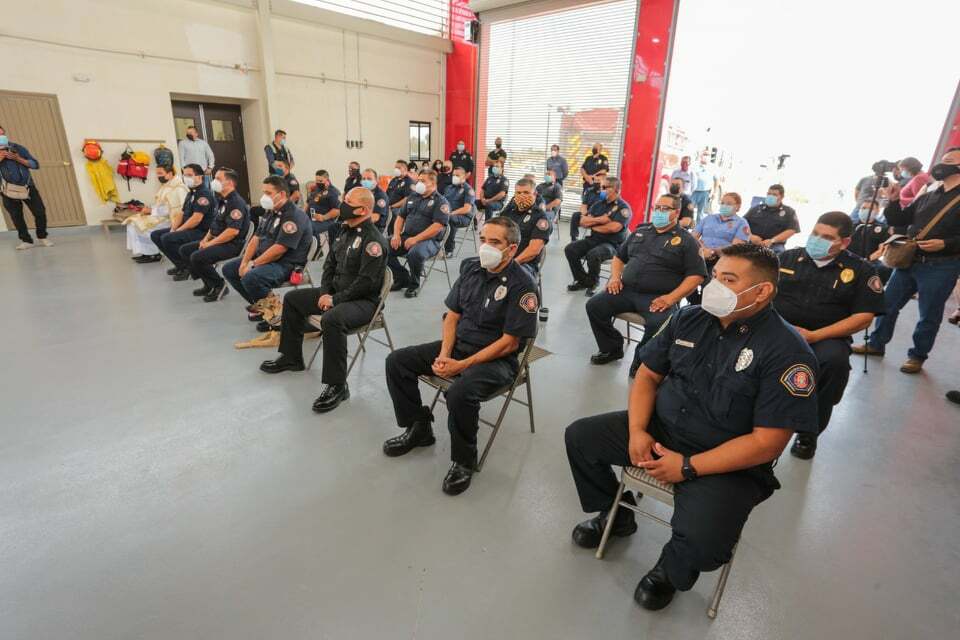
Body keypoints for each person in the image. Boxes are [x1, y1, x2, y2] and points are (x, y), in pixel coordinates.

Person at [565, 243, 819, 612]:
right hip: (663, 431)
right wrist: (638, 431)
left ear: (762, 291)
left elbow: (767, 443)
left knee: (705, 542)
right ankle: (617, 516)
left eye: (729, 280)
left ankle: (669, 571)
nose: (715, 286)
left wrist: (687, 467)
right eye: (716, 276)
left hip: (726, 460)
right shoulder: (690, 318)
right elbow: (648, 375)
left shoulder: (788, 352)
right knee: (581, 437)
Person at [382, 217, 538, 496]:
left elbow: (509, 343)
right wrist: (444, 354)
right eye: (483, 239)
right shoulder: (470, 268)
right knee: (397, 361)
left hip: (497, 360)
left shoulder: (523, 285)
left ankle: (464, 461)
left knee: (459, 393)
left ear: (511, 249)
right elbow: (452, 317)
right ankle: (419, 427)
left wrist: (461, 365)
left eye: (495, 242)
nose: (485, 247)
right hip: (459, 346)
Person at [260, 187, 388, 413]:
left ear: (363, 209)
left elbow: (366, 282)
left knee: (332, 319)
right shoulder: (343, 230)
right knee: (293, 298)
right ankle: (291, 357)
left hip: (364, 301)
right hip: (337, 293)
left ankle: (338, 386)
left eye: (348, 201)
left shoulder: (373, 240)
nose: (343, 203)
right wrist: (324, 294)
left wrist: (335, 299)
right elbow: (329, 266)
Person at [775, 212, 885, 459]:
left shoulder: (861, 270)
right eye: (815, 234)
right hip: (778, 330)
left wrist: (814, 335)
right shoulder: (788, 258)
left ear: (844, 242)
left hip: (825, 336)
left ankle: (807, 433)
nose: (817, 240)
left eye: (827, 237)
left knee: (833, 364)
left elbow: (864, 317)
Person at [853, 148, 960, 373]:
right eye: (943, 160)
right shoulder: (931, 192)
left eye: (949, 161)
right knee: (887, 304)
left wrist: (946, 244)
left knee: (928, 314)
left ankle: (918, 356)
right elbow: (901, 219)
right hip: (909, 260)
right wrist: (893, 201)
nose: (942, 164)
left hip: (942, 264)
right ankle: (876, 343)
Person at [587, 194, 706, 368]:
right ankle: (612, 348)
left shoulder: (687, 241)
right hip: (625, 290)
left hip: (659, 297)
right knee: (594, 306)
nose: (659, 212)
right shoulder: (641, 231)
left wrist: (671, 298)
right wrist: (615, 277)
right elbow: (619, 258)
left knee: (661, 324)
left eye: (664, 209)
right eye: (656, 208)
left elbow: (697, 276)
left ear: (677, 212)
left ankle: (642, 362)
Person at [222, 175, 312, 308]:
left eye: (268, 193)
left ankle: (275, 313)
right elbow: (256, 238)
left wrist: (252, 265)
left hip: (285, 264)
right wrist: (245, 262)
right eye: (264, 193)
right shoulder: (271, 211)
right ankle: (261, 306)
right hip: (265, 258)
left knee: (251, 277)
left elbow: (279, 250)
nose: (265, 197)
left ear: (281, 194)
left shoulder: (293, 216)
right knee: (229, 269)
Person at [180, 168, 250, 301]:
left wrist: (210, 244)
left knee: (197, 257)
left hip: (232, 244)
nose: (214, 181)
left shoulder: (235, 203)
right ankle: (208, 283)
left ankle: (219, 285)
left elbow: (232, 232)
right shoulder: (222, 200)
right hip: (219, 240)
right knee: (185, 250)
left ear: (229, 183)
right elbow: (215, 225)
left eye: (218, 179)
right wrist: (205, 240)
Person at [386, 170, 450, 298]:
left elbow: (437, 226)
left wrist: (416, 239)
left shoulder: (441, 202)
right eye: (418, 180)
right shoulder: (412, 197)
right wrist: (396, 235)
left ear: (433, 183)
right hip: (407, 236)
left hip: (429, 241)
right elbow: (400, 217)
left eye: (423, 181)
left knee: (415, 253)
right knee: (383, 247)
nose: (419, 183)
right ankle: (402, 277)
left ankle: (414, 284)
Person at [565, 175, 630, 297]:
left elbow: (614, 228)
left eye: (605, 187)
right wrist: (603, 220)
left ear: (616, 189)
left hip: (611, 244)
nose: (601, 190)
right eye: (601, 187)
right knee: (570, 249)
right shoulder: (598, 204)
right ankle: (583, 281)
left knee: (593, 254)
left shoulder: (623, 208)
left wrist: (593, 224)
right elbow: (583, 221)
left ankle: (593, 283)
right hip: (594, 239)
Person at [153, 164, 217, 280]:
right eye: (184, 175)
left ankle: (188, 268)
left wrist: (178, 230)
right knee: (156, 235)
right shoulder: (191, 192)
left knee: (168, 238)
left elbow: (196, 219)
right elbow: (181, 213)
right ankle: (180, 265)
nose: (185, 177)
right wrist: (173, 228)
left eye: (189, 175)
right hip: (190, 228)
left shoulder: (204, 194)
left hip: (201, 231)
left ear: (199, 177)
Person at [0, 125, 51, 249]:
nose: (0, 137)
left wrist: (18, 158)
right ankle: (26, 240)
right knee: (17, 217)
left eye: (2, 134)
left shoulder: (18, 148)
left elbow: (35, 164)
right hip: (6, 190)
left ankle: (42, 236)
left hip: (28, 187)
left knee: (40, 212)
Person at [123, 165, 187, 263]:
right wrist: (149, 209)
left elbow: (174, 209)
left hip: (171, 220)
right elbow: (160, 203)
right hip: (160, 215)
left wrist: (151, 211)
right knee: (132, 222)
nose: (158, 176)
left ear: (169, 174)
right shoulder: (166, 185)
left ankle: (154, 254)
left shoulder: (178, 188)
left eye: (160, 173)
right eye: (157, 173)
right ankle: (145, 252)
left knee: (141, 226)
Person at [496, 178, 552, 275]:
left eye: (526, 192)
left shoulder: (540, 218)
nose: (522, 196)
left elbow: (533, 250)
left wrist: (511, 264)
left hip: (524, 264)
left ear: (534, 194)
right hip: (502, 259)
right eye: (518, 193)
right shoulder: (508, 212)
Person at [691, 192, 751, 279]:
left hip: (722, 260)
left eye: (729, 204)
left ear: (737, 207)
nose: (724, 205)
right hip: (700, 255)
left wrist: (713, 252)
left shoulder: (741, 223)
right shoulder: (709, 218)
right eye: (722, 203)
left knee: (710, 282)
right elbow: (692, 238)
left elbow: (736, 248)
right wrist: (702, 250)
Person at [744, 184, 799, 253]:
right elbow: (743, 223)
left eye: (774, 195)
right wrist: (750, 236)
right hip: (752, 241)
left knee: (779, 257)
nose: (770, 196)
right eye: (769, 194)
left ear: (781, 197)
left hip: (774, 245)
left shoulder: (789, 212)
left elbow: (792, 230)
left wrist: (772, 241)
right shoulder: (756, 208)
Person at [849, 200, 893, 284]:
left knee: (884, 268)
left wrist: (868, 259)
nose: (866, 210)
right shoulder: (851, 225)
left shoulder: (883, 229)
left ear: (877, 211)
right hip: (848, 258)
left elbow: (882, 250)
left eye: (870, 208)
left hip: (869, 261)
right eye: (864, 208)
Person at [442, 167, 476, 255]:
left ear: (464, 176)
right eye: (453, 175)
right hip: (449, 214)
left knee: (450, 219)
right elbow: (442, 202)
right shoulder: (449, 188)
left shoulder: (468, 190)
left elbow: (467, 209)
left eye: (457, 175)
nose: (454, 177)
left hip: (464, 217)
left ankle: (449, 249)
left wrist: (451, 213)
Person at [306, 170, 341, 245]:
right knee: (300, 224)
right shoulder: (316, 188)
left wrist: (323, 217)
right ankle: (312, 248)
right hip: (311, 218)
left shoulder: (332, 192)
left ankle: (316, 248)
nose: (318, 183)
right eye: (316, 180)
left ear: (327, 179)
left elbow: (337, 210)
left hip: (325, 221)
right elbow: (308, 202)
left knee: (308, 227)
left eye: (320, 181)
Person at [571, 169, 606, 241]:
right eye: (595, 181)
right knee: (576, 215)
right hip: (589, 213)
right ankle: (574, 238)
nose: (596, 183)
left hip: (601, 216)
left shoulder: (606, 193)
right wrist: (584, 214)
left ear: (604, 181)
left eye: (599, 181)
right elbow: (584, 205)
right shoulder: (589, 191)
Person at [360, 168, 390, 234]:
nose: (366, 181)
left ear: (376, 181)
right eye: (364, 179)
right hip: (363, 225)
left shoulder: (381, 196)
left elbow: (375, 217)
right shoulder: (362, 193)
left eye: (369, 179)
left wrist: (357, 222)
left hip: (375, 228)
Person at [386, 159, 414, 227]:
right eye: (395, 167)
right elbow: (386, 194)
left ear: (405, 169)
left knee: (393, 214)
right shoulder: (394, 180)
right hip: (389, 207)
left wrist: (392, 206)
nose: (396, 169)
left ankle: (392, 234)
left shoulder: (409, 182)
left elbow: (407, 199)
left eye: (398, 168)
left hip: (399, 208)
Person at [690, 153, 716, 221]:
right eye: (704, 155)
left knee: (700, 212)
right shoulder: (695, 166)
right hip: (694, 192)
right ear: (701, 156)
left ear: (710, 158)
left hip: (705, 193)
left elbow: (716, 180)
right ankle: (688, 226)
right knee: (689, 210)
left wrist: (714, 192)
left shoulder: (713, 168)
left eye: (707, 155)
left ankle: (697, 229)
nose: (705, 157)